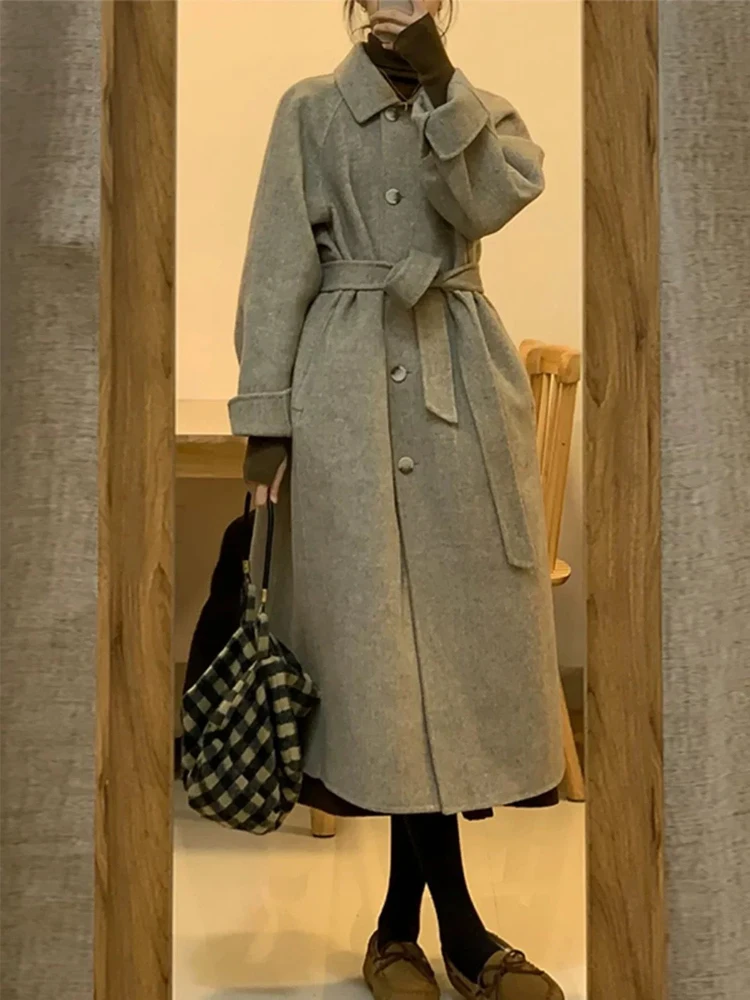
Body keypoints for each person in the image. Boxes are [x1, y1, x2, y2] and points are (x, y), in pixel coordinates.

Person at [230, 2, 565, 997]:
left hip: (461, 387)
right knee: (383, 664)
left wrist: (441, 81)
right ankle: (462, 936)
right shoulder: (309, 110)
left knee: (449, 663)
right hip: (346, 397)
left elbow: (491, 200)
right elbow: (276, 266)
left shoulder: (484, 112)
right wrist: (267, 422)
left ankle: (395, 931)